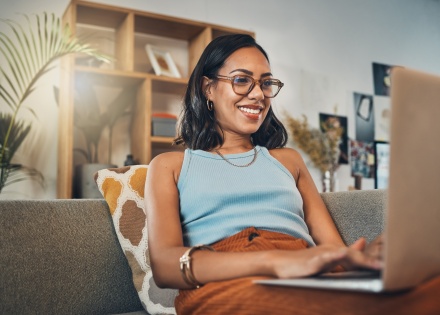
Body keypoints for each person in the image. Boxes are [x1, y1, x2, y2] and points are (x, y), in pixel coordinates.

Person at [145, 34, 438, 315]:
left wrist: (370, 258)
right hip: (227, 279)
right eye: (242, 80)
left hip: (306, 272)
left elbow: (333, 250)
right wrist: (277, 262)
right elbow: (166, 267)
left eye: (266, 83)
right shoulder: (170, 166)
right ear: (208, 88)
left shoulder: (287, 160)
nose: (258, 94)